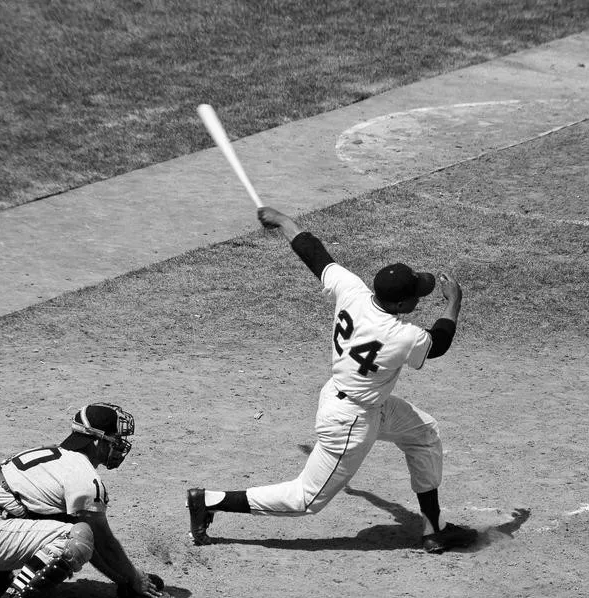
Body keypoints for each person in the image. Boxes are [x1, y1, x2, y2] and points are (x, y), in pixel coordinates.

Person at [187, 206, 466, 553]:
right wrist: (453, 303)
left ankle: (434, 529)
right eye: (416, 296)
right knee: (306, 499)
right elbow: (437, 344)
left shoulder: (354, 291)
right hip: (351, 421)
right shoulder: (401, 335)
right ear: (401, 304)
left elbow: (315, 255)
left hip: (354, 399)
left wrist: (284, 222)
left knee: (424, 434)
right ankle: (209, 501)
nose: (420, 298)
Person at [0, 403, 172, 598]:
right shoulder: (83, 475)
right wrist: (134, 577)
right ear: (97, 441)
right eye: (115, 440)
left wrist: (124, 579)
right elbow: (101, 540)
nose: (120, 446)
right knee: (76, 538)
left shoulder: (53, 457)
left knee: (61, 519)